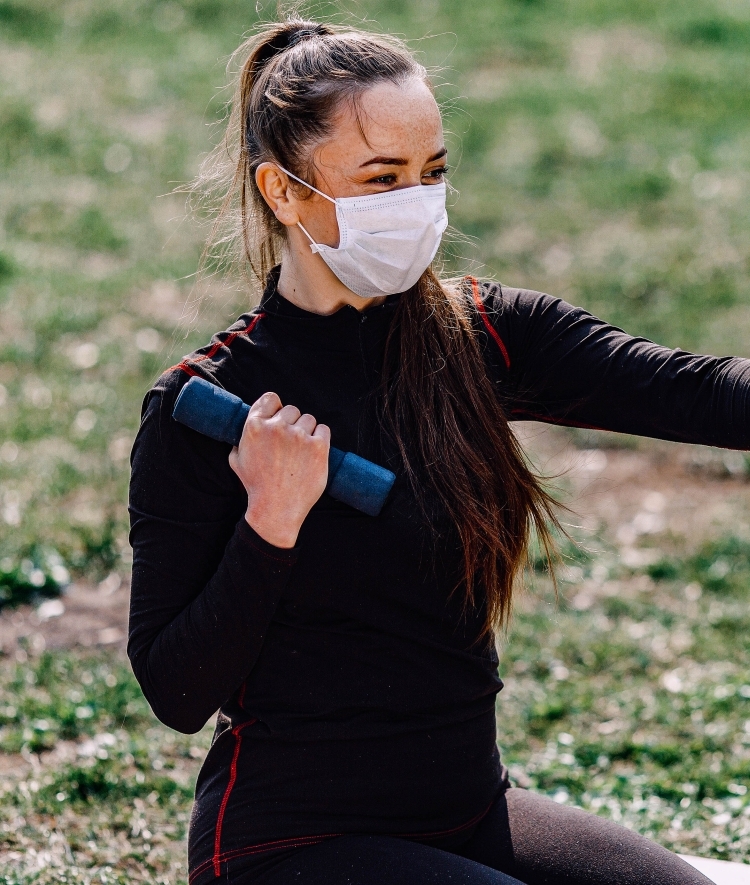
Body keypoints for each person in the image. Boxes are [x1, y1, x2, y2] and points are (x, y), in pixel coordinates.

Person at [127, 18, 744, 885]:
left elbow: (697, 389)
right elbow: (175, 691)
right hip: (292, 843)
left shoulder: (483, 334)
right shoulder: (207, 407)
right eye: (382, 179)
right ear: (284, 191)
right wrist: (270, 521)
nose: (417, 202)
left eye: (433, 172)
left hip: (467, 808)